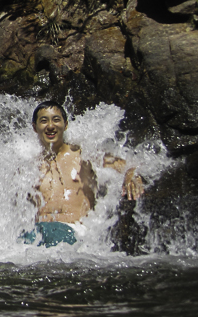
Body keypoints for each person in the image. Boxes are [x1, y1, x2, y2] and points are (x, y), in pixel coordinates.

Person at [24, 100, 144, 247]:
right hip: (38, 233)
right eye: (44, 121)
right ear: (35, 127)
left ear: (65, 125)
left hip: (74, 232)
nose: (50, 126)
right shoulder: (29, 167)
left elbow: (130, 165)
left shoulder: (84, 154)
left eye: (56, 120)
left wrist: (131, 176)